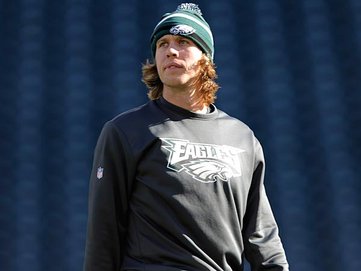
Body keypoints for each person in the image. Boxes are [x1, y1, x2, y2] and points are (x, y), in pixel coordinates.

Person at [83, 3, 289, 271]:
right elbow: (104, 231)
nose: (170, 51)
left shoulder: (242, 137)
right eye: (162, 44)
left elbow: (261, 234)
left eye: (183, 42)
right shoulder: (126, 130)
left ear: (205, 57)